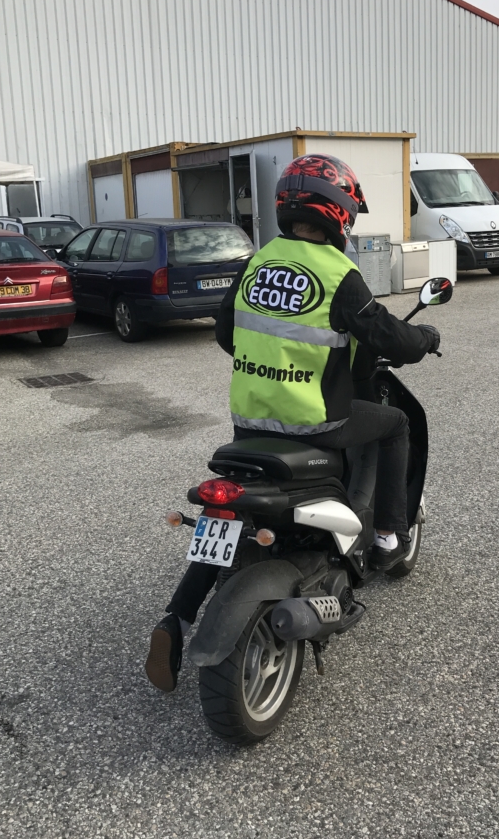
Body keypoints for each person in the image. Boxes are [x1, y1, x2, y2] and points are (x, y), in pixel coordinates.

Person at [146, 154, 440, 692]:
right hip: (316, 423)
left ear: (286, 206)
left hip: (249, 425)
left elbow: (226, 335)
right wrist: (427, 338)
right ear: (341, 211)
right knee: (395, 423)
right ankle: (389, 538)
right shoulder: (338, 274)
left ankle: (175, 619)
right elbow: (390, 338)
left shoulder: (256, 262)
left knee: (226, 526)